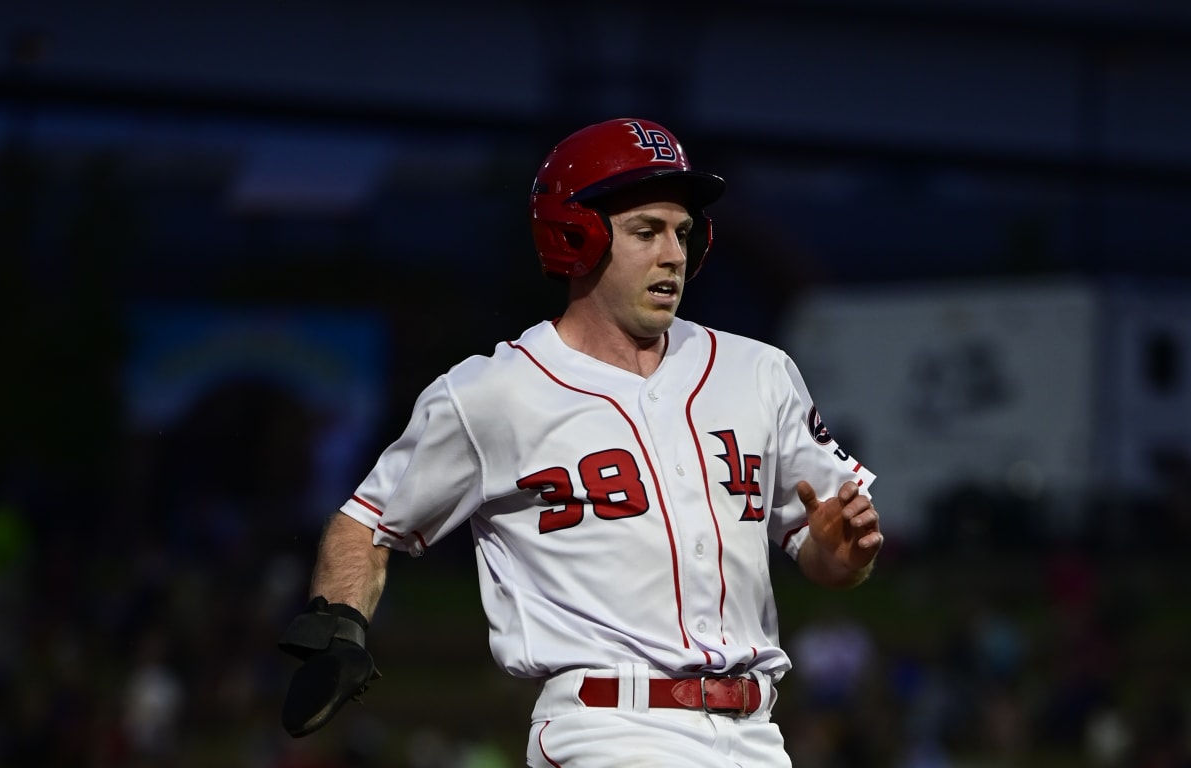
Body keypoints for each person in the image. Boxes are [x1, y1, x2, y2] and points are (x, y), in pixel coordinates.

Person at [278, 117, 884, 767]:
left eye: (682, 233)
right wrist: (340, 626)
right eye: (646, 231)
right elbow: (365, 524)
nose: (673, 254)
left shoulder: (759, 373)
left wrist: (841, 554)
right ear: (578, 236)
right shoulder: (493, 393)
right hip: (608, 729)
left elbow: (827, 558)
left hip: (757, 735)